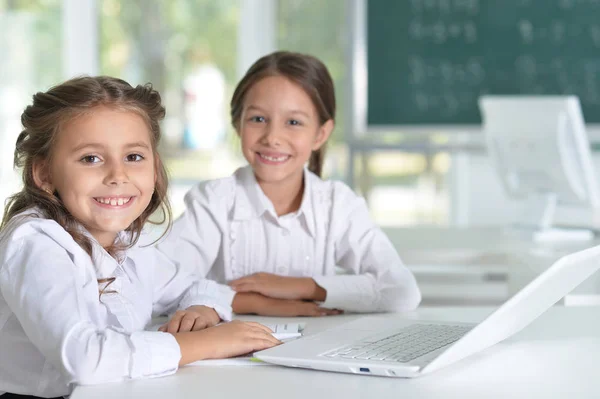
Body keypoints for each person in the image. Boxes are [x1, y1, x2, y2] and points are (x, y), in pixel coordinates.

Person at [0, 76, 279, 399]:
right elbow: (84, 358)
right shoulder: (35, 243)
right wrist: (206, 342)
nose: (118, 176)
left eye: (133, 157)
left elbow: (199, 286)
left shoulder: (126, 240)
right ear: (45, 174)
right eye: (91, 158)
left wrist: (202, 309)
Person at [157, 51, 421, 317]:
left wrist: (301, 287)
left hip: (318, 350)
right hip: (227, 354)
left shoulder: (337, 205)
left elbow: (402, 291)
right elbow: (156, 284)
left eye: (293, 122)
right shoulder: (214, 201)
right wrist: (256, 303)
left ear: (320, 134)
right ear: (238, 123)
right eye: (258, 119)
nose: (273, 137)